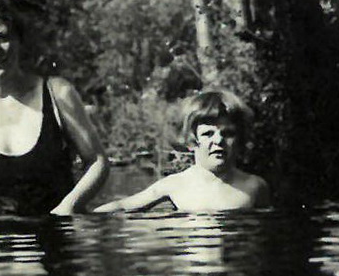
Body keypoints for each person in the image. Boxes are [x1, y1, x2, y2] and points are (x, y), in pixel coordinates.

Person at [0, 0, 108, 216]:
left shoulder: (58, 93)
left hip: (55, 236)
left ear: (19, 41)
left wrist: (68, 208)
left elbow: (97, 162)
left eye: (3, 38)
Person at [95, 89, 270, 214]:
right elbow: (123, 206)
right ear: (191, 141)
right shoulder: (176, 184)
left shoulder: (254, 186)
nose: (218, 140)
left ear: (239, 139)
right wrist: (77, 219)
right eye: (208, 134)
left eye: (228, 133)